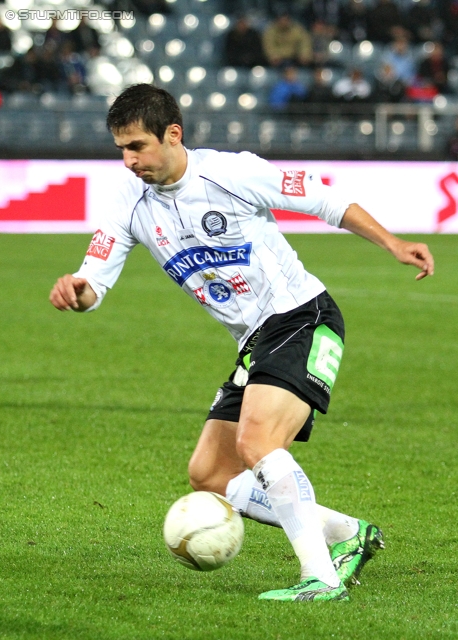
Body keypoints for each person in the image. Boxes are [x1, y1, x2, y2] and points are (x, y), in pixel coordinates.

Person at [49, 83, 434, 602]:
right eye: (120, 148)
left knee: (257, 444)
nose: (128, 160)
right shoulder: (128, 202)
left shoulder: (232, 172)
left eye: (137, 146)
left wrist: (394, 243)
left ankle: (320, 579)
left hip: (302, 316)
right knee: (209, 473)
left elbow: (324, 199)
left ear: (172, 134)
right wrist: (79, 291)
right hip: (255, 340)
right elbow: (95, 278)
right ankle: (347, 533)